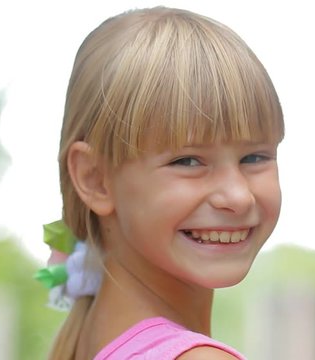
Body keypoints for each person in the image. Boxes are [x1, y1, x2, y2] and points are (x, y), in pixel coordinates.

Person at [41, 6, 284, 359]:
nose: (238, 196)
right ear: (95, 179)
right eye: (187, 161)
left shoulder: (88, 343)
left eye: (255, 157)